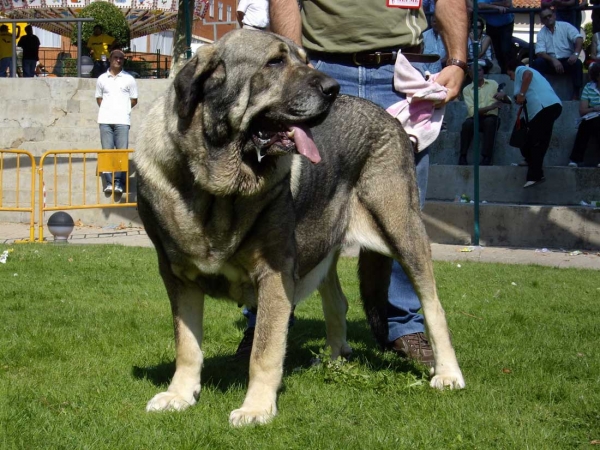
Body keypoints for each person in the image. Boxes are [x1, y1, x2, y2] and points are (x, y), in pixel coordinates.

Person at [232, 0, 468, 366]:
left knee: (402, 220)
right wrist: (296, 63)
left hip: (403, 71)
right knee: (279, 209)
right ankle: (265, 325)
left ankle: (404, 324)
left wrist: (456, 60)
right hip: (320, 66)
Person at [500, 59, 562, 187]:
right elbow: (518, 100)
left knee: (537, 142)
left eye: (510, 75)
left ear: (513, 70)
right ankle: (530, 162)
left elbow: (527, 75)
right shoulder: (530, 79)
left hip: (544, 108)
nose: (511, 79)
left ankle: (535, 174)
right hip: (545, 108)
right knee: (528, 135)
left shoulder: (520, 70)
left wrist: (522, 93)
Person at [95, 50, 138, 195]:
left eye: (121, 58)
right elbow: (99, 98)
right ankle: (109, 182)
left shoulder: (129, 79)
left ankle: (119, 183)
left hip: (122, 122)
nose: (118, 60)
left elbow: (134, 100)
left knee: (121, 153)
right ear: (110, 59)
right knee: (107, 152)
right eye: (115, 58)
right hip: (105, 121)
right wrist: (109, 110)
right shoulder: (102, 78)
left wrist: (122, 111)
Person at [531, 7, 583, 100]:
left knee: (577, 63)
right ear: (542, 20)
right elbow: (540, 52)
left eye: (549, 15)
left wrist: (575, 54)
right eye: (544, 17)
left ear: (554, 15)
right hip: (551, 62)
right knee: (537, 63)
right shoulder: (541, 33)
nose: (548, 18)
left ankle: (576, 94)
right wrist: (553, 60)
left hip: (567, 61)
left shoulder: (565, 26)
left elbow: (578, 38)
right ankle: (541, 93)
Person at [459, 65, 507, 165]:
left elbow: (506, 100)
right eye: (474, 71)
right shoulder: (467, 89)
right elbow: (472, 111)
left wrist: (503, 95)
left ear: (483, 72)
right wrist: (491, 107)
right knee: (467, 125)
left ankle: (486, 157)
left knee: (490, 122)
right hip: (475, 118)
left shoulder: (493, 84)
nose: (478, 73)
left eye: (480, 70)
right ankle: (462, 156)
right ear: (471, 75)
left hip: (491, 118)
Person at [568, 62, 600, 167]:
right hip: (593, 115)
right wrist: (595, 108)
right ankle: (575, 159)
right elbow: (582, 110)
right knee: (585, 125)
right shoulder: (589, 87)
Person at [478, 0, 514, 74]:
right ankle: (500, 74)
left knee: (506, 50)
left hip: (506, 24)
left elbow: (507, 3)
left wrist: (489, 5)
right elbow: (480, 5)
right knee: (495, 51)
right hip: (491, 25)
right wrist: (496, 6)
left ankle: (510, 72)